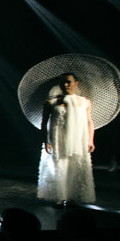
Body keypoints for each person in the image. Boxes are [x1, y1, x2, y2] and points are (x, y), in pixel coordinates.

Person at [37, 72, 95, 205]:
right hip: (58, 138)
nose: (65, 85)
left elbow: (89, 121)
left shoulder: (84, 102)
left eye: (68, 82)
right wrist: (46, 141)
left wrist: (90, 140)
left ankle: (74, 196)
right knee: (59, 165)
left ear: (75, 84)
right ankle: (60, 196)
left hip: (78, 139)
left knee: (75, 165)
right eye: (63, 82)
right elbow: (44, 123)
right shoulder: (51, 102)